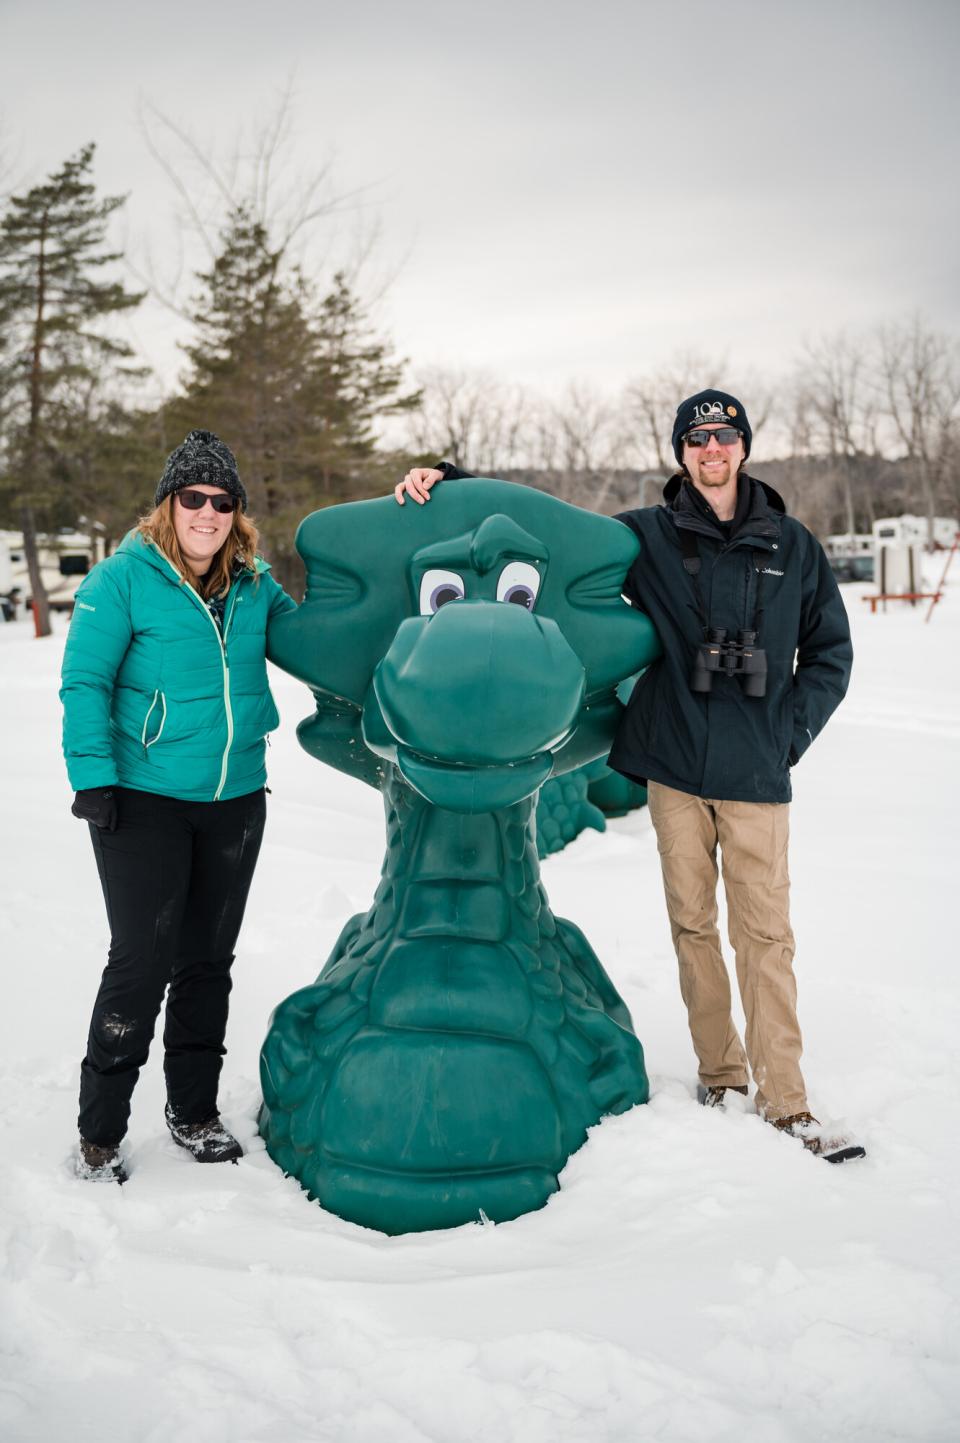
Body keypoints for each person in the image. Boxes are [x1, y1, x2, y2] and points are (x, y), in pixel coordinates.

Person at [394, 388, 864, 1163]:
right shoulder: (643, 536)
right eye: (697, 438)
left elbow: (831, 654)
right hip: (674, 766)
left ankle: (787, 1102)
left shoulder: (793, 542)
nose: (711, 449)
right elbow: (543, 532)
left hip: (756, 771)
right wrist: (452, 478)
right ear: (679, 451)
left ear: (743, 446)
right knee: (692, 926)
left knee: (766, 936)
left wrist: (791, 730)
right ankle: (722, 1074)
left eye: (724, 436)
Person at [61, 430, 296, 1183]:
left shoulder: (256, 584)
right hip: (141, 802)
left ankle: (192, 1111)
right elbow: (84, 683)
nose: (207, 511)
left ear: (237, 511)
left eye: (222, 500)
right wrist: (93, 778)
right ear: (169, 504)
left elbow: (315, 641)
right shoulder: (122, 579)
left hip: (233, 801)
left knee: (207, 964)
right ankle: (100, 1129)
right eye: (192, 497)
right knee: (140, 963)